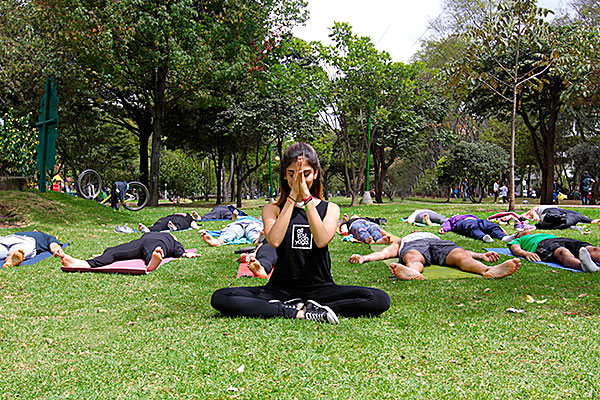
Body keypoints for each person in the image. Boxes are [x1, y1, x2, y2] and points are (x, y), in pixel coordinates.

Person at [211, 142, 390, 324]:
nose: (299, 180)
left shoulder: (330, 208)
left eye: (306, 174)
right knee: (222, 296)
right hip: (281, 289)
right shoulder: (272, 209)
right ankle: (294, 312)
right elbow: (274, 240)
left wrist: (306, 198)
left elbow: (321, 240)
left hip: (320, 288)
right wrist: (292, 198)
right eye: (292, 174)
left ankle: (315, 309)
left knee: (379, 299)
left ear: (316, 174)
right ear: (284, 175)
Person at [349, 232, 521, 280]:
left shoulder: (433, 235)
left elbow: (464, 253)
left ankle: (489, 270)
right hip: (415, 246)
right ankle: (413, 272)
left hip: (439, 243)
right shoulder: (403, 241)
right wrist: (364, 257)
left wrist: (482, 255)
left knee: (461, 255)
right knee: (413, 256)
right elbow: (384, 253)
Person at [59, 232, 200, 272]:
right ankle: (152, 261)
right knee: (152, 251)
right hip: (151, 244)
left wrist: (183, 253)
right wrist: (183, 253)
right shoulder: (171, 239)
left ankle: (84, 263)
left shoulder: (164, 237)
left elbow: (179, 249)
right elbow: (178, 248)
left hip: (139, 243)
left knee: (114, 252)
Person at [507, 230, 600, 272]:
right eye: (521, 231)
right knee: (562, 252)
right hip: (542, 244)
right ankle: (583, 266)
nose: (525, 229)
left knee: (591, 249)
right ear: (518, 235)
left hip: (560, 239)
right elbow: (515, 249)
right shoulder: (519, 239)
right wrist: (526, 253)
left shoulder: (542, 233)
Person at [1, 231, 65, 268]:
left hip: (9, 238)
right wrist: (56, 250)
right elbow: (54, 245)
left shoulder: (46, 236)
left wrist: (56, 250)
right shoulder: (44, 237)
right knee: (24, 248)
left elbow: (54, 245)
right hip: (26, 240)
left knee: (3, 249)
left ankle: (15, 254)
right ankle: (15, 254)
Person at [439, 214, 515, 243]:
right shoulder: (454, 218)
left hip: (477, 220)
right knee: (472, 228)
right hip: (463, 222)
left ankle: (503, 237)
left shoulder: (470, 215)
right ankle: (484, 237)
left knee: (490, 225)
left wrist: (499, 228)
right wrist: (444, 229)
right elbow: (447, 223)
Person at [200, 215, 264, 247]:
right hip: (239, 223)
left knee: (253, 230)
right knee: (232, 231)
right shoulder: (243, 217)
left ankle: (257, 239)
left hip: (253, 223)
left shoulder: (259, 219)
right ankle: (218, 241)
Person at [528, 206, 600, 230]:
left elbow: (533, 211)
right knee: (577, 216)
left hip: (551, 211)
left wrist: (535, 216)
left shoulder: (539, 207)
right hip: (559, 212)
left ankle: (592, 221)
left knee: (550, 220)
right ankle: (593, 221)